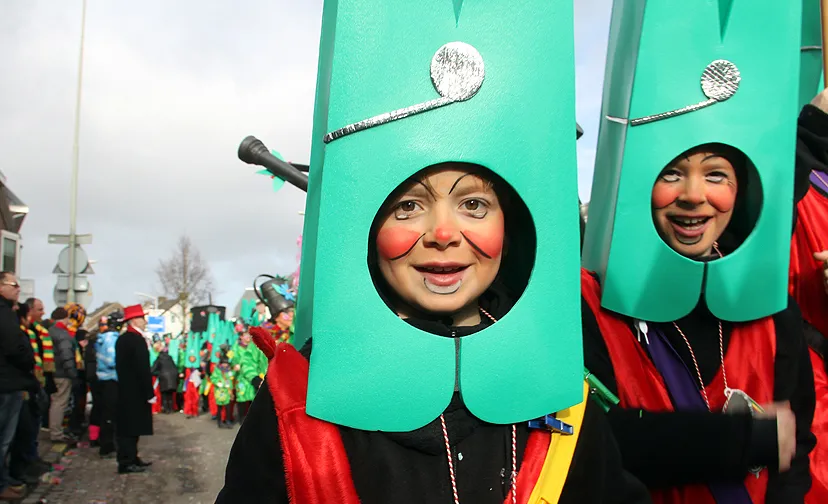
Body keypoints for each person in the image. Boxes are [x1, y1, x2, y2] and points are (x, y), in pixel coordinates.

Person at [217, 3, 651, 502]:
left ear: (509, 226)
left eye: (472, 203)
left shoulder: (561, 388)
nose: (443, 233)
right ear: (368, 226)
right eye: (408, 205)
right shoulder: (294, 403)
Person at [581, 4, 815, 502]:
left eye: (715, 175)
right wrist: (748, 439)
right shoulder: (586, 301)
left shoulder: (773, 307)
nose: (693, 195)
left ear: (740, 189)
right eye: (670, 172)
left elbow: (797, 452)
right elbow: (596, 445)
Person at [0, 272, 34, 501]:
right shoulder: (4, 314)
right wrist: (28, 359)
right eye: (14, 285)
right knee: (4, 439)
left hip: (8, 381)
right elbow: (14, 346)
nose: (18, 289)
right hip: (7, 382)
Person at [115, 305, 153, 474]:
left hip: (127, 389)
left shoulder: (125, 338)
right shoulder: (135, 340)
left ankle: (131, 457)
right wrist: (149, 392)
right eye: (142, 318)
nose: (145, 322)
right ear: (134, 320)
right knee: (130, 427)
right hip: (135, 391)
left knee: (131, 426)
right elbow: (143, 368)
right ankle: (127, 461)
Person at [47, 307, 77, 444]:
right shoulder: (63, 334)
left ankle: (55, 429)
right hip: (62, 373)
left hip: (53, 371)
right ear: (65, 318)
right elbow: (66, 357)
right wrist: (73, 374)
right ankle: (56, 433)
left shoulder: (50, 331)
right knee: (59, 402)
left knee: (55, 401)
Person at [95, 312, 121, 459]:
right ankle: (108, 446)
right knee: (111, 414)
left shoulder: (102, 339)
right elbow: (112, 360)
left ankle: (107, 444)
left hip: (103, 379)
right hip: (111, 379)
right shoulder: (111, 339)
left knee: (106, 413)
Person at [233, 324, 266, 422]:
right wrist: (234, 365)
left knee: (253, 399)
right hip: (242, 377)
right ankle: (242, 419)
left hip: (254, 377)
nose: (248, 337)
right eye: (246, 335)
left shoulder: (254, 346)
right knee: (242, 398)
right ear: (241, 336)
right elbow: (231, 360)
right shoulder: (235, 348)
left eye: (249, 335)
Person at [150, 343, 178, 414]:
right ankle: (171, 409)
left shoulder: (159, 359)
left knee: (164, 394)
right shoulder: (169, 357)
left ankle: (166, 409)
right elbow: (174, 367)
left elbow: (152, 371)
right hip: (172, 377)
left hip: (164, 378)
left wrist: (159, 373)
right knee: (170, 394)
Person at [210, 345, 234, 429]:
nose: (225, 365)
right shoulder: (217, 370)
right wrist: (218, 383)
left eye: (226, 363)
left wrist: (230, 385)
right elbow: (213, 378)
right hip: (219, 391)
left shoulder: (229, 370)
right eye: (223, 363)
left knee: (228, 408)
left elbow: (231, 378)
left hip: (227, 391)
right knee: (219, 408)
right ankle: (219, 422)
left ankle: (228, 421)